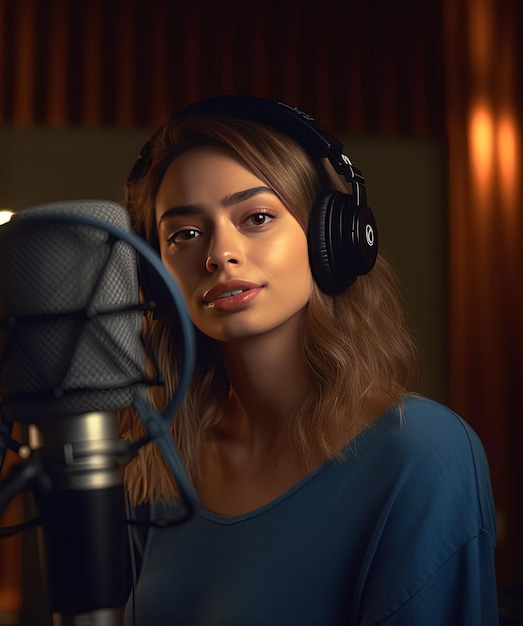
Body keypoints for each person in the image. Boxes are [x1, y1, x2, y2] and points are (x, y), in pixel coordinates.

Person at [118, 95, 498, 625]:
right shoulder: (158, 462)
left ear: (332, 239)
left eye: (256, 217)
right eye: (184, 233)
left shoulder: (421, 455)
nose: (218, 254)